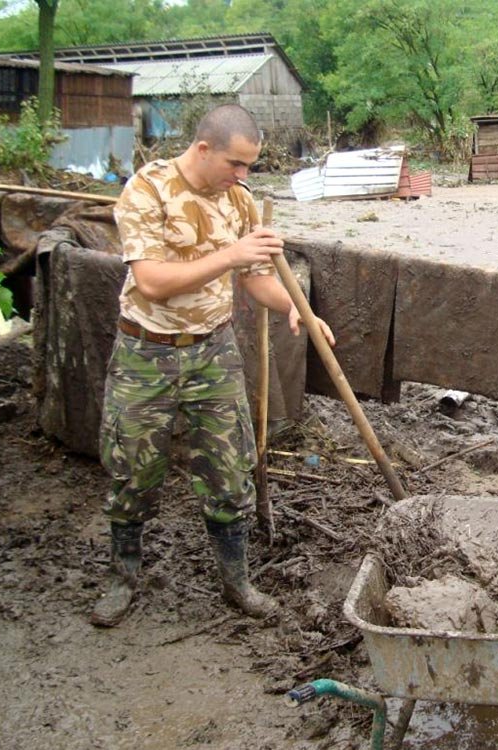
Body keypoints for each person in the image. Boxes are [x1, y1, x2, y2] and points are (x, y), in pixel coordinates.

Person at [90, 104, 334, 628]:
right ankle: (122, 577)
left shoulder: (238, 202)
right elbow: (152, 281)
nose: (242, 177)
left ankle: (237, 581)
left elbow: (254, 278)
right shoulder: (147, 190)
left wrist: (296, 307)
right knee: (133, 471)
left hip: (212, 351)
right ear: (203, 149)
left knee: (229, 473)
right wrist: (231, 255)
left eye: (250, 167)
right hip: (145, 352)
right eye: (235, 164)